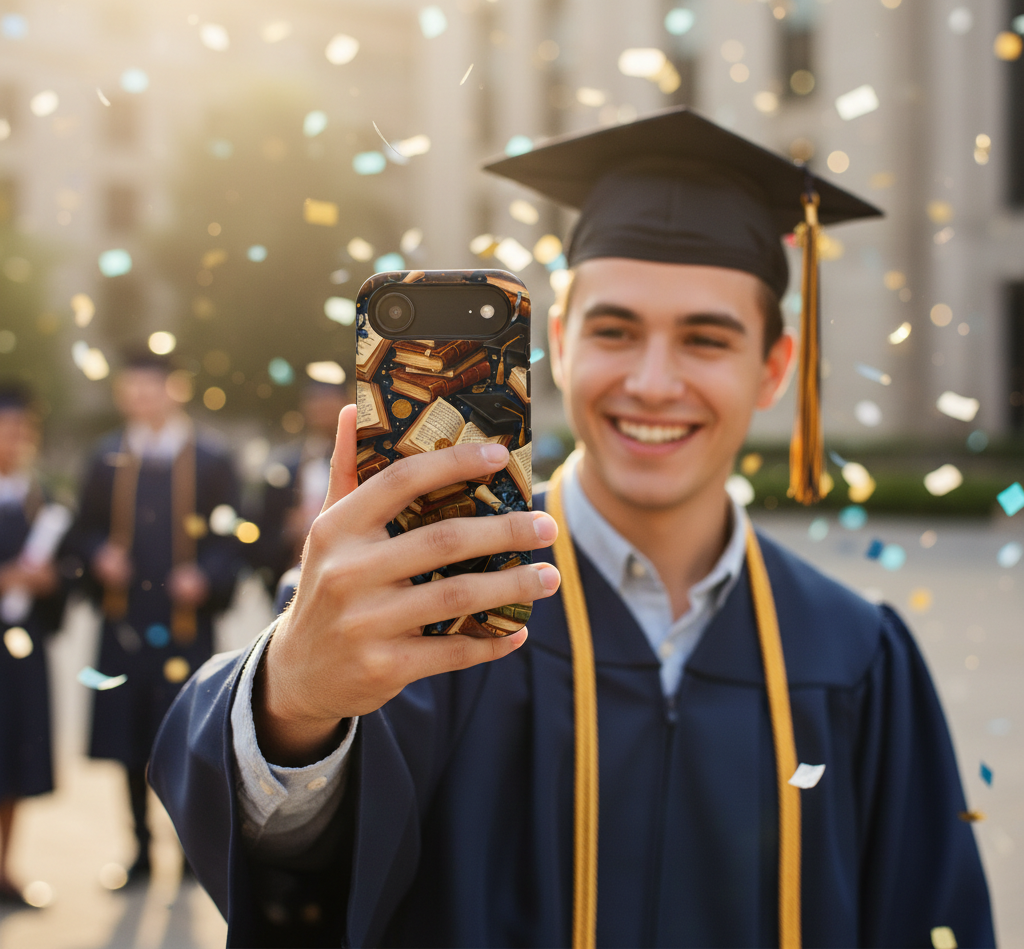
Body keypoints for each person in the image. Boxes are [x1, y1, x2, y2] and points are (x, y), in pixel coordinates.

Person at [150, 109, 993, 947]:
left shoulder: (854, 657)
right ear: (556, 340)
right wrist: (294, 699)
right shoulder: (426, 602)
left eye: (706, 339)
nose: (653, 382)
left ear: (775, 367)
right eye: (615, 330)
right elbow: (294, 879)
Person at [71, 350, 244, 885]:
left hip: (184, 622)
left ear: (175, 389)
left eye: (150, 386)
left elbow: (230, 535)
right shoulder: (107, 458)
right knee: (129, 738)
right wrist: (99, 554)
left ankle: (189, 848)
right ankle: (141, 849)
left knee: (187, 735)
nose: (140, 397)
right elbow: (84, 529)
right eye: (132, 387)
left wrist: (208, 576)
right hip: (127, 622)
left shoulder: (211, 459)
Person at [0, 383, 68, 907]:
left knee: (13, 758)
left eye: (24, 430)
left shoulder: (42, 498)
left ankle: (2, 868)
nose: (15, 438)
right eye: (7, 427)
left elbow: (69, 570)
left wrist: (52, 581)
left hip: (21, 649)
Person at [249, 380, 352, 597]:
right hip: (298, 578)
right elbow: (263, 536)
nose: (320, 406)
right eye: (314, 398)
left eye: (328, 398)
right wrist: (287, 531)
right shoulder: (286, 469)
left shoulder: (367, 463)